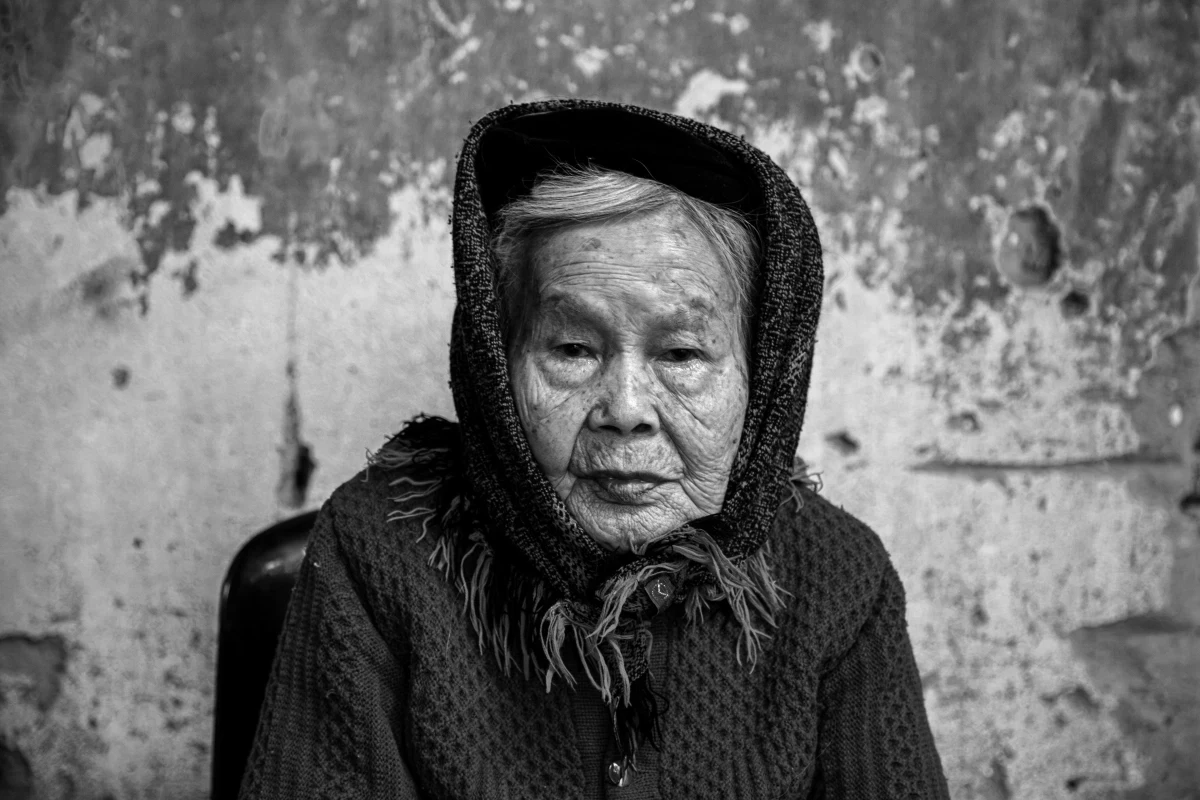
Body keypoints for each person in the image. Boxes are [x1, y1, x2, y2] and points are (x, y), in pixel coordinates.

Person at [238, 99, 950, 799]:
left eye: (682, 353)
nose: (627, 411)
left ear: (759, 379)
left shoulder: (836, 578)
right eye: (573, 348)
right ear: (496, 363)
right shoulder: (379, 550)